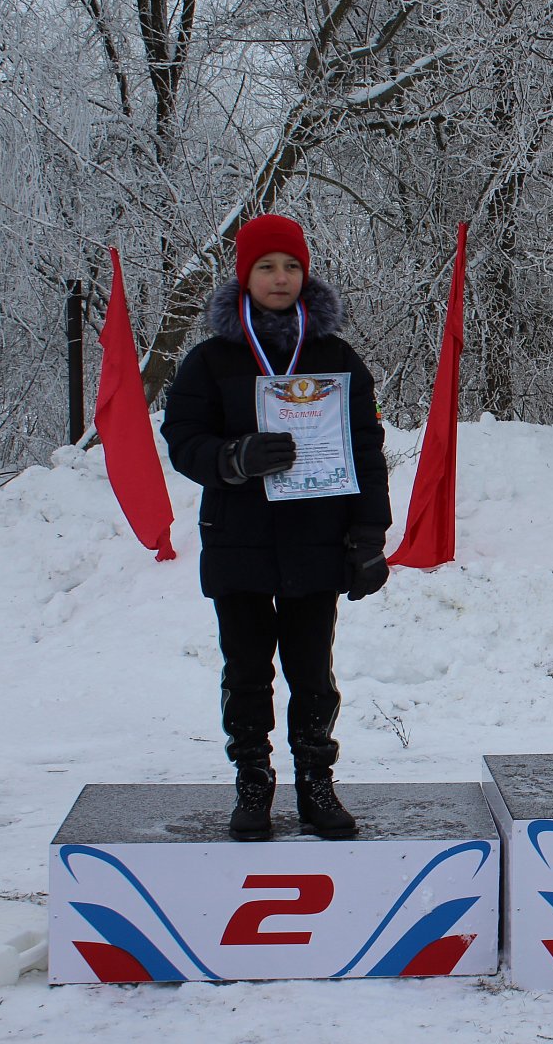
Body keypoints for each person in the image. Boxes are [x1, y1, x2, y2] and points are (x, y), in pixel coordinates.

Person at [162, 214, 391, 842]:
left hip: (316, 539)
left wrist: (368, 536)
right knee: (246, 671)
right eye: (266, 267)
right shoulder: (210, 360)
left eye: (291, 266)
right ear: (245, 276)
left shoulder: (336, 357)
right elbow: (182, 438)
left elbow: (365, 449)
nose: (280, 278)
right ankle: (253, 780)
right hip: (238, 539)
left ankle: (316, 781)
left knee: (312, 672)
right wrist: (234, 457)